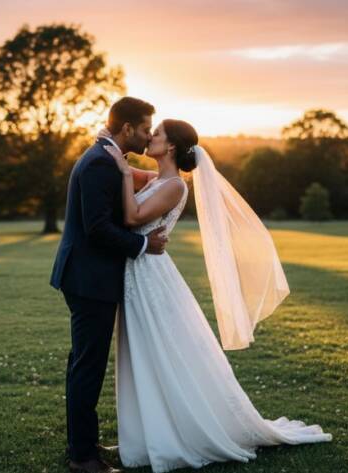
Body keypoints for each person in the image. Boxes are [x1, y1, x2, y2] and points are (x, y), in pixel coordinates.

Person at [101, 119, 333, 473]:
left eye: (158, 133)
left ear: (173, 147)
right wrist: (114, 152)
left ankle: (181, 430)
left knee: (161, 352)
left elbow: (132, 217)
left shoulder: (175, 186)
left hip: (150, 276)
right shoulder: (158, 179)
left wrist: (120, 172)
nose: (150, 137)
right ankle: (148, 430)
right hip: (139, 272)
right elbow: (135, 175)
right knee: (145, 355)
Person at [49, 97, 168, 473]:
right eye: (146, 128)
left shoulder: (106, 157)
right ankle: (83, 458)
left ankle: (82, 443)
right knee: (88, 365)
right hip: (90, 279)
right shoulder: (101, 162)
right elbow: (97, 228)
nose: (149, 135)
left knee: (84, 363)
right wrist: (145, 244)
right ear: (127, 128)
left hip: (87, 276)